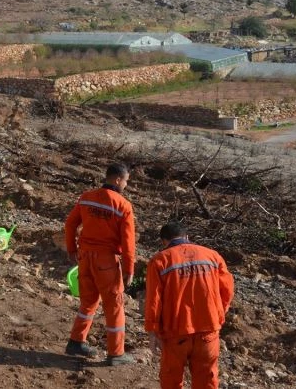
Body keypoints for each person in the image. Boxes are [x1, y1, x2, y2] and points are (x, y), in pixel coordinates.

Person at [145, 223, 235, 389]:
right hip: (208, 328)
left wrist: (153, 330)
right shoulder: (212, 256)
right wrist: (218, 314)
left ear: (163, 241)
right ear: (187, 237)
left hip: (175, 332)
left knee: (171, 378)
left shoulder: (159, 260)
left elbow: (153, 300)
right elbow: (227, 290)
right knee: (207, 378)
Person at [63, 162, 136, 366]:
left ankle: (76, 342)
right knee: (114, 307)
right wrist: (130, 268)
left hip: (85, 257)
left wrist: (71, 249)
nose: (126, 185)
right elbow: (128, 242)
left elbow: (70, 224)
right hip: (107, 262)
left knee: (88, 302)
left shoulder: (86, 198)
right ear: (118, 179)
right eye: (126, 181)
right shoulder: (123, 206)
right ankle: (116, 353)